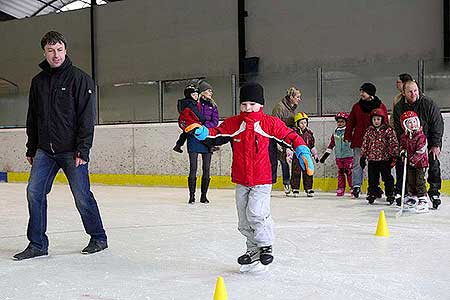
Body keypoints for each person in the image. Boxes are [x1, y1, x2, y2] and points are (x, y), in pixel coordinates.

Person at [192, 82, 313, 268]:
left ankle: (265, 246)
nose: (248, 108)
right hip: (241, 178)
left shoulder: (269, 123)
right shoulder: (234, 123)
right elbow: (217, 134)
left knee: (257, 212)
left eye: (252, 104)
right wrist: (203, 132)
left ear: (261, 105)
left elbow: (289, 136)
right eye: (244, 104)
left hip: (262, 178)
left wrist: (302, 150)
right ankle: (252, 249)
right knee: (243, 220)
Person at [13, 31, 107, 261]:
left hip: (71, 151)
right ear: (44, 52)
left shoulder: (80, 79)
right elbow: (33, 117)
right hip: (45, 150)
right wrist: (31, 147)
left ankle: (98, 237)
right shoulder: (38, 82)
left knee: (81, 196)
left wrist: (83, 150)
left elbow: (86, 118)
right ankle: (37, 244)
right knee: (34, 192)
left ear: (66, 50)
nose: (55, 55)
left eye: (59, 50)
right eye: (50, 51)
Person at [393, 80, 444, 209]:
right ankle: (407, 193)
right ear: (403, 93)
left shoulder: (427, 103)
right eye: (410, 91)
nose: (413, 94)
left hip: (427, 140)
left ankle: (434, 191)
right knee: (405, 166)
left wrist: (435, 144)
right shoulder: (399, 107)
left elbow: (437, 123)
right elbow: (399, 129)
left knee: (433, 163)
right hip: (409, 143)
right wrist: (403, 146)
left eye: (415, 90)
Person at [344, 83, 388, 198]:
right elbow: (350, 122)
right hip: (359, 140)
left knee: (375, 165)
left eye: (363, 91)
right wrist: (347, 135)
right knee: (357, 164)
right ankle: (356, 186)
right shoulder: (357, 106)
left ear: (370, 93)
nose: (361, 94)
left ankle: (374, 186)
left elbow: (385, 123)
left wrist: (386, 138)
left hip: (376, 141)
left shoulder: (380, 106)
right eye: (361, 91)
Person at [185, 80, 219, 204]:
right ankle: (192, 196)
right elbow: (187, 117)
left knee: (206, 168)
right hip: (194, 138)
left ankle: (204, 196)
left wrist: (203, 127)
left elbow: (215, 122)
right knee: (193, 167)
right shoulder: (194, 105)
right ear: (203, 92)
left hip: (207, 139)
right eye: (209, 90)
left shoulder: (213, 106)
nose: (211, 92)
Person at [360, 108, 399, 204]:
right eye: (374, 119)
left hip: (385, 159)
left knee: (387, 177)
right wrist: (363, 156)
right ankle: (373, 192)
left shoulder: (388, 130)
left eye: (378, 119)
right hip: (372, 159)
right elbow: (365, 143)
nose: (376, 121)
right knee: (372, 178)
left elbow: (393, 143)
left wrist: (394, 155)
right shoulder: (369, 131)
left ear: (382, 119)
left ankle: (390, 193)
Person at [272, 87, 301, 195]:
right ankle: (272, 183)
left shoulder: (293, 108)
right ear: (291, 97)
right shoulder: (279, 108)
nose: (299, 99)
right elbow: (275, 125)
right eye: (297, 97)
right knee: (278, 161)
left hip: (287, 137)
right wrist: (277, 141)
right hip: (278, 138)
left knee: (286, 161)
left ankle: (287, 182)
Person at [399, 111, 430, 213]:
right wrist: (403, 152)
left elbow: (421, 150)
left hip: (420, 164)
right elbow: (402, 146)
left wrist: (413, 159)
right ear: (405, 125)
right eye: (409, 123)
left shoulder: (421, 136)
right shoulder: (404, 137)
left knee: (419, 181)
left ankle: (423, 199)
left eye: (414, 122)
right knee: (410, 180)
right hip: (410, 163)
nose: (413, 125)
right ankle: (412, 197)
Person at [390, 73, 414, 203]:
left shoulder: (414, 97)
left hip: (414, 137)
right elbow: (394, 117)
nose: (396, 84)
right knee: (400, 163)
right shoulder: (397, 99)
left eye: (398, 82)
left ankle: (414, 191)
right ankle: (400, 189)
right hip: (400, 136)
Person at [319, 112, 353, 197]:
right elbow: (331, 145)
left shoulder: (349, 132)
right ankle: (341, 188)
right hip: (339, 157)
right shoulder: (335, 133)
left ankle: (352, 188)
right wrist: (324, 157)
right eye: (339, 122)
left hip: (348, 156)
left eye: (342, 121)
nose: (340, 123)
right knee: (341, 172)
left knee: (349, 172)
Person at [290, 112, 318, 197]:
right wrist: (289, 154)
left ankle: (308, 188)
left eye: (305, 122)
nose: (303, 124)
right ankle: (295, 189)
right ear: (297, 123)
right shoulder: (293, 133)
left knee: (308, 172)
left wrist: (315, 154)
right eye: (301, 123)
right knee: (296, 172)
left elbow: (312, 145)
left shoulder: (309, 134)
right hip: (297, 156)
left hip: (307, 156)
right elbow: (290, 145)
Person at [172, 85, 203, 153]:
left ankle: (178, 145)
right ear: (188, 95)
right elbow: (196, 114)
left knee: (185, 133)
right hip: (191, 123)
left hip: (183, 122)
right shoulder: (191, 104)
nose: (196, 96)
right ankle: (210, 146)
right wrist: (203, 120)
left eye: (197, 94)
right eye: (193, 94)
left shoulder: (183, 103)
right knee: (203, 132)